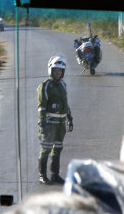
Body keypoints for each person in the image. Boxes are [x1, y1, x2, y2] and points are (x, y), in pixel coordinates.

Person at [37, 55, 74, 185]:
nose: (58, 73)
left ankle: (55, 175)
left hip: (61, 123)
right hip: (50, 122)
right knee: (46, 148)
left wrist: (69, 118)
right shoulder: (46, 86)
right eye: (56, 70)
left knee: (58, 148)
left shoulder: (63, 85)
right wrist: (42, 123)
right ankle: (42, 175)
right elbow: (41, 106)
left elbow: (66, 103)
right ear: (51, 70)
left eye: (60, 71)